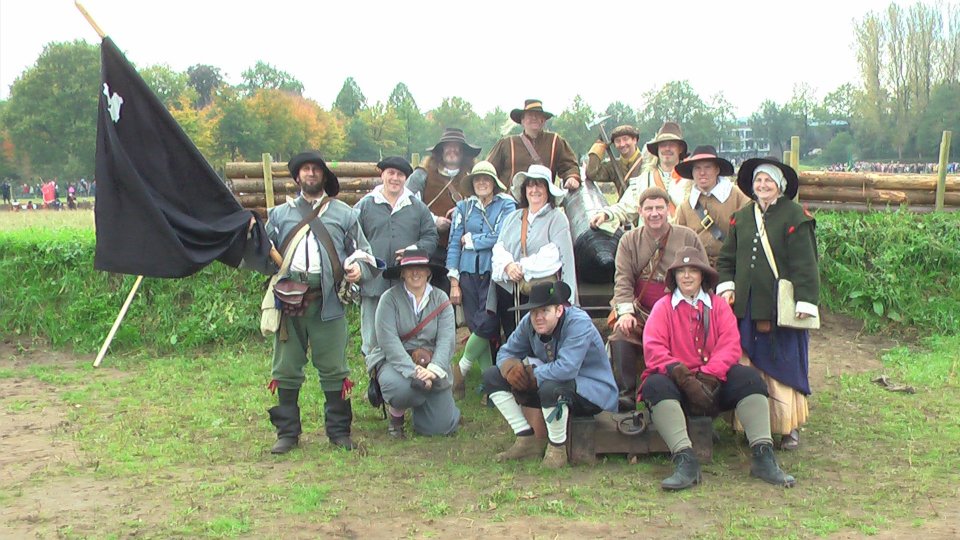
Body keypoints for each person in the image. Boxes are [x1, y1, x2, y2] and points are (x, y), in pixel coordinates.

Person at [640, 246, 796, 490]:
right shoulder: (663, 308)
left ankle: (763, 458)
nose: (687, 276)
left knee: (750, 380)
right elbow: (653, 349)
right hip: (678, 386)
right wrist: (683, 376)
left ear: (703, 275)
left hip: (714, 383)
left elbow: (730, 345)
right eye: (681, 271)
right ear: (674, 277)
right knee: (655, 386)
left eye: (693, 270)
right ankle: (685, 461)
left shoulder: (719, 306)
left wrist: (709, 375)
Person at [260, 151, 378, 454]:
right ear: (297, 177)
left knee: (334, 367)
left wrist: (357, 269)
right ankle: (287, 434)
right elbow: (261, 254)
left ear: (324, 176)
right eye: (305, 170)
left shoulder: (344, 214)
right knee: (285, 367)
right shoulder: (279, 215)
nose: (310, 174)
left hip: (328, 301)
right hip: (289, 301)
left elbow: (363, 252)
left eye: (316, 170)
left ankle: (339, 432)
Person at [717, 158, 820, 451]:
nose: (762, 186)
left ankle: (788, 427)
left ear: (780, 185)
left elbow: (806, 265)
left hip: (780, 310)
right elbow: (727, 259)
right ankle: (750, 426)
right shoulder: (742, 216)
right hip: (747, 308)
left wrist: (805, 301)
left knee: (784, 365)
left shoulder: (795, 216)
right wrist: (727, 287)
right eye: (758, 181)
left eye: (768, 181)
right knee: (748, 364)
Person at [482, 281, 618, 468]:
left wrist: (532, 374)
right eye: (534, 312)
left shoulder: (579, 323)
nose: (538, 317)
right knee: (492, 376)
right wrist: (510, 368)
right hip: (552, 385)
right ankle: (525, 439)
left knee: (551, 387)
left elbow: (567, 368)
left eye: (544, 311)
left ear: (559, 310)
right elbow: (506, 352)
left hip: (592, 393)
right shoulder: (529, 323)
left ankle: (557, 449)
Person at [608, 187, 706, 410]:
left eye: (659, 208)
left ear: (668, 210)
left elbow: (702, 274)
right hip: (641, 309)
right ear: (640, 211)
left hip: (678, 310)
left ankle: (693, 396)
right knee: (621, 335)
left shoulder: (687, 237)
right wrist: (625, 313)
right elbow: (622, 279)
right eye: (649, 208)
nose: (654, 213)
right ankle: (626, 395)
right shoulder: (628, 240)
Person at [365, 248, 461, 438]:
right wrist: (414, 371)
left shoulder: (441, 299)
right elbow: (388, 341)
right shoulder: (389, 299)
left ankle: (430, 408)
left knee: (440, 429)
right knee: (405, 388)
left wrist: (432, 370)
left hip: (430, 364)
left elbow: (446, 341)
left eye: (420, 268)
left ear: (428, 272)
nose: (415, 272)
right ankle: (396, 417)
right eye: (409, 268)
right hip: (396, 362)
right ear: (402, 273)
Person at [446, 161, 518, 399]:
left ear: (494, 182)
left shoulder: (507, 204)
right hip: (467, 274)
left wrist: (474, 240)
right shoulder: (463, 208)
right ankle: (492, 386)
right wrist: (454, 281)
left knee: (488, 323)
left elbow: (502, 236)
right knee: (477, 327)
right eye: (477, 179)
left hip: (493, 273)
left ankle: (462, 369)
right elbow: (455, 244)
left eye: (486, 179)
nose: (482, 183)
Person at [355, 156, 439, 356]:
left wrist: (414, 250)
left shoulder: (417, 207)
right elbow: (351, 239)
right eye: (390, 173)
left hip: (408, 284)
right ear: (382, 174)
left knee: (406, 336)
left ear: (405, 178)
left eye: (400, 174)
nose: (395, 178)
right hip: (373, 283)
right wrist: (358, 264)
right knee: (373, 339)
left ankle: (404, 381)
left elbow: (431, 237)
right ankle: (375, 382)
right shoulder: (364, 205)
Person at [491, 164, 577, 341]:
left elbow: (557, 256)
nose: (534, 190)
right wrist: (508, 266)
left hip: (542, 295)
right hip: (510, 291)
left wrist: (522, 267)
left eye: (540, 185)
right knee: (513, 339)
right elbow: (499, 248)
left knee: (542, 339)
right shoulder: (513, 218)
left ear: (548, 190)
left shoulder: (557, 218)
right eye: (530, 185)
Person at [407, 127, 481, 292]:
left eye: (457, 147)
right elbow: (408, 204)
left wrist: (463, 214)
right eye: (448, 146)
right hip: (432, 249)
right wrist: (434, 221)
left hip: (466, 250)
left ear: (463, 152)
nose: (452, 150)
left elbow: (484, 207)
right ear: (440, 151)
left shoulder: (474, 177)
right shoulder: (422, 175)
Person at [590, 121, 692, 230]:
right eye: (663, 145)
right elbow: (626, 206)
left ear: (680, 149)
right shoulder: (644, 179)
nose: (667, 148)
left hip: (681, 241)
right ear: (657, 149)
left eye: (672, 145)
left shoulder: (691, 180)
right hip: (649, 243)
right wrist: (606, 214)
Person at [673, 145, 751, 266]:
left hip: (731, 267)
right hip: (697, 270)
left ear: (717, 170)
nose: (702, 173)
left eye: (708, 167)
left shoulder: (738, 197)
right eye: (697, 168)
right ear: (692, 173)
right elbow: (678, 243)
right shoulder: (685, 207)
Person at [486, 99, 582, 191]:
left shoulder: (555, 141)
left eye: (538, 115)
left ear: (543, 120)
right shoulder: (506, 143)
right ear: (522, 120)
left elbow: (569, 166)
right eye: (530, 115)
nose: (534, 118)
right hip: (510, 205)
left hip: (542, 202)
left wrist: (572, 178)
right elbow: (488, 171)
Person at [584, 125, 643, 194]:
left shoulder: (648, 162)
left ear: (634, 140)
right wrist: (599, 146)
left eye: (625, 139)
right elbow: (592, 174)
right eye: (618, 141)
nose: (622, 144)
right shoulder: (613, 166)